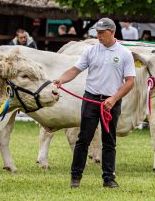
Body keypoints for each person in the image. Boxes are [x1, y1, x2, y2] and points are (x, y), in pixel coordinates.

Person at [54, 18, 135, 189]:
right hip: (91, 100)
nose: (97, 35)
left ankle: (108, 179)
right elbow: (75, 70)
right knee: (83, 139)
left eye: (101, 32)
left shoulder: (124, 53)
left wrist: (113, 99)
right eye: (96, 32)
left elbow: (129, 82)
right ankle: (75, 178)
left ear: (112, 32)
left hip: (111, 103)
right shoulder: (90, 51)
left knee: (109, 141)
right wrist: (61, 79)